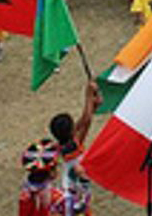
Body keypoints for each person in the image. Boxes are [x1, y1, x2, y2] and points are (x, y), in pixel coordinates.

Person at [48, 82, 102, 216]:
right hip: (78, 193)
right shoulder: (75, 146)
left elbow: (82, 122)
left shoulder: (58, 148)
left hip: (66, 191)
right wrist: (89, 94)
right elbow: (86, 120)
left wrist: (93, 104)